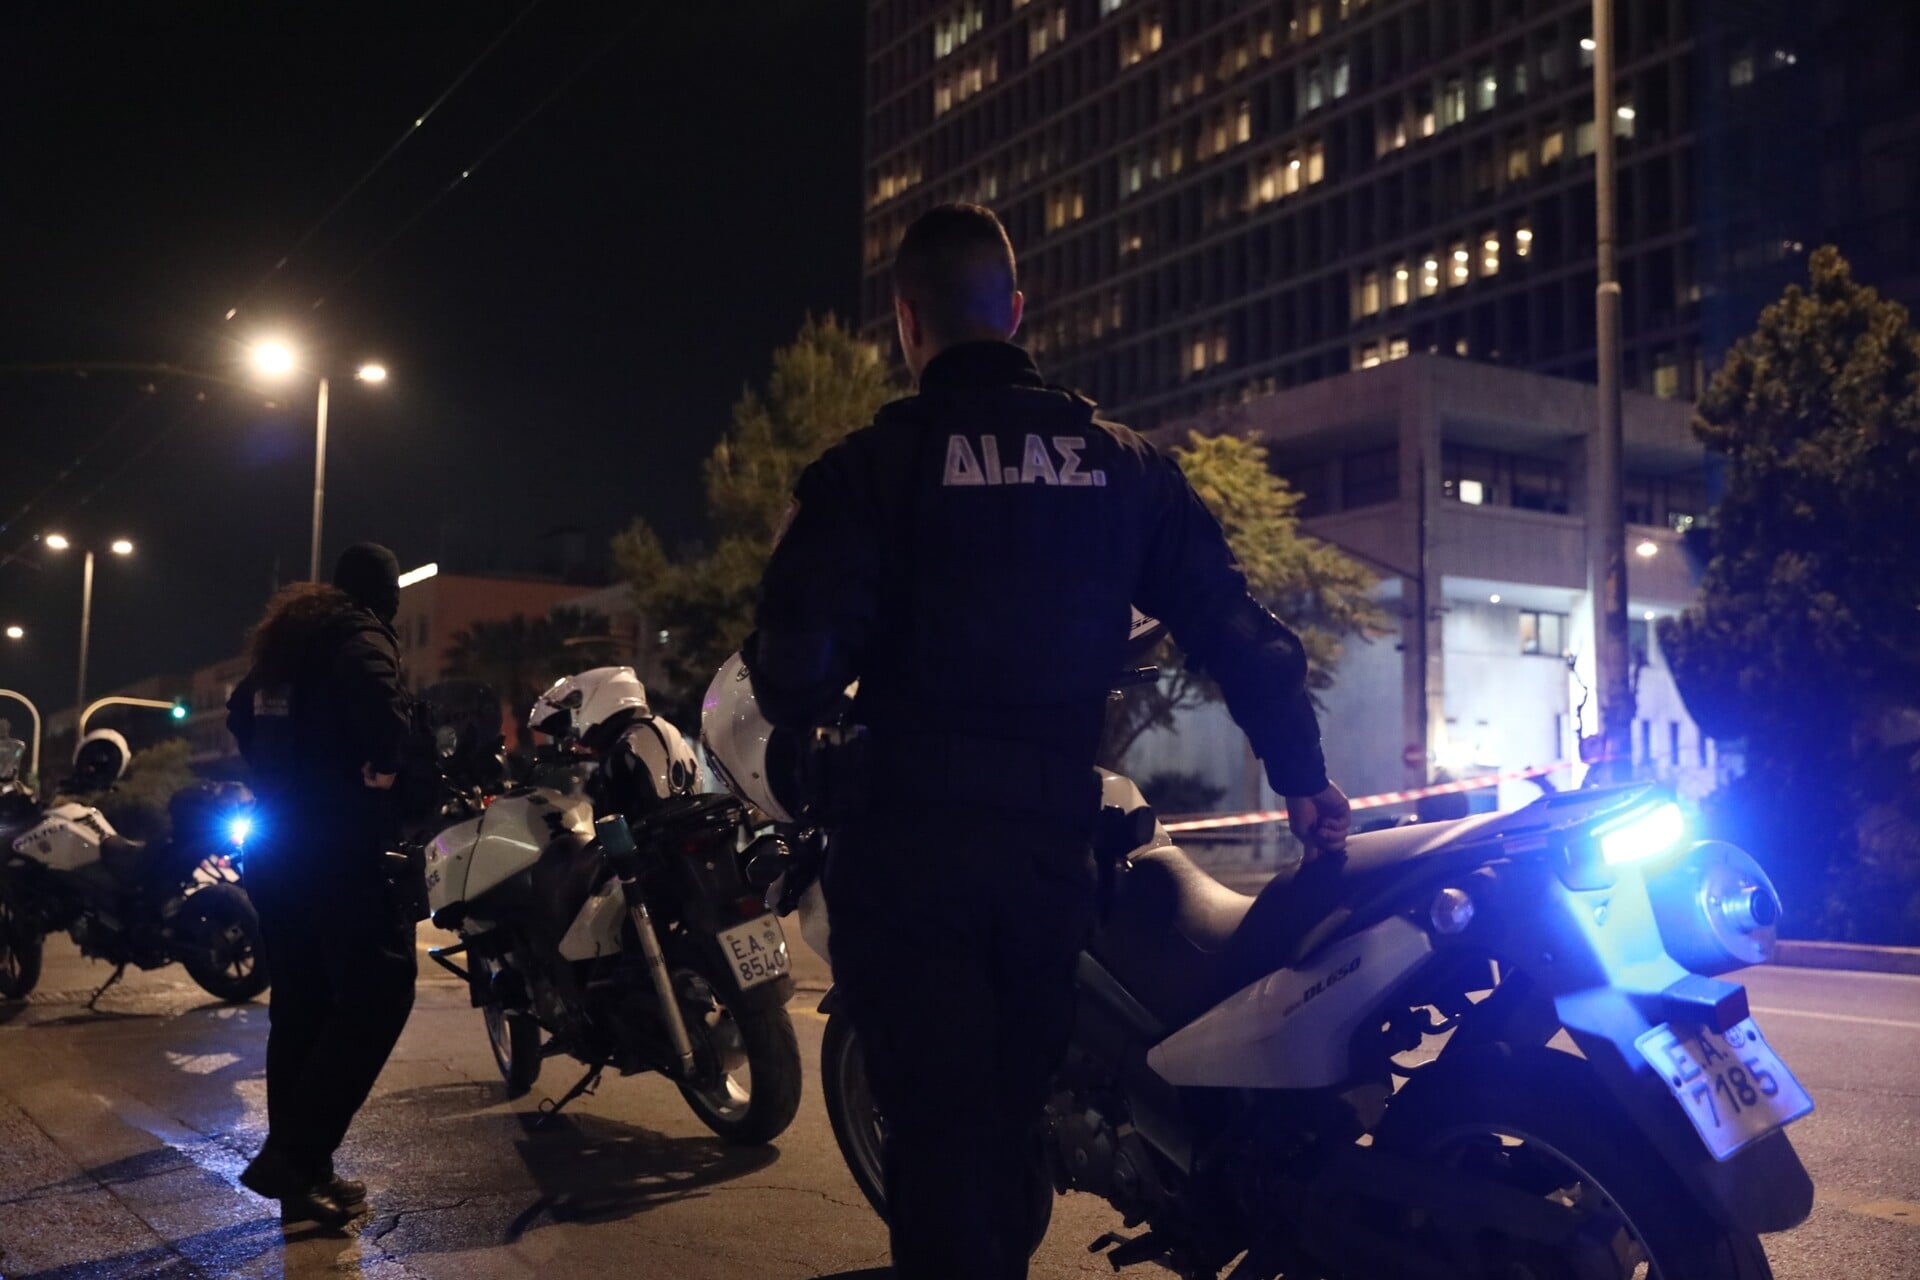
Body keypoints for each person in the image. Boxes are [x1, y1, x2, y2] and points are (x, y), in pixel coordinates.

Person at [747, 203, 1350, 1280]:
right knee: (1011, 1116)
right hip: (1051, 861)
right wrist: (1305, 779)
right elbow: (1238, 630)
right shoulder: (1125, 468)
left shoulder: (865, 471)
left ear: (907, 321)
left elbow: (790, 672)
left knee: (939, 1149)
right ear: (1017, 311)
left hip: (909, 858)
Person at [227, 543, 417, 1227]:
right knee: (381, 992)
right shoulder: (360, 638)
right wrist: (384, 767)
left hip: (280, 846)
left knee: (302, 1009)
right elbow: (387, 722)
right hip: (339, 847)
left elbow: (239, 711)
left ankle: (304, 1180)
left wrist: (284, 775)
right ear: (384, 593)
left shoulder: (291, 642)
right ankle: (296, 1157)